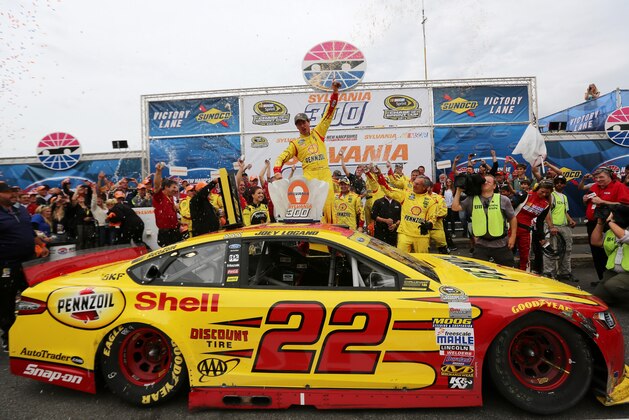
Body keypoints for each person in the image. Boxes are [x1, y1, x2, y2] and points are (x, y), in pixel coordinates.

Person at [273, 80, 342, 223]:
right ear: (297, 127)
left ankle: (332, 242)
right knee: (314, 213)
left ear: (308, 122)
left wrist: (335, 92)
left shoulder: (319, 132)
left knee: (330, 209)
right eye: (299, 124)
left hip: (325, 178)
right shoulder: (296, 144)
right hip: (311, 181)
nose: (302, 125)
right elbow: (281, 157)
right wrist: (277, 170)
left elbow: (329, 112)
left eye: (304, 122)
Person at [0, 181, 49, 351]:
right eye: (8, 192)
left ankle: (35, 332)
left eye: (14, 191)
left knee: (34, 296)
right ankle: (9, 336)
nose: (13, 195)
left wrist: (41, 246)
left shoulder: (20, 209)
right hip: (7, 264)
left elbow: (29, 231)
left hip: (29, 262)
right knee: (6, 301)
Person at [452, 174, 517, 266]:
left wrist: (513, 236)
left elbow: (512, 218)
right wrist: (459, 190)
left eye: (489, 182)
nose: (485, 183)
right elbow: (455, 208)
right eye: (484, 181)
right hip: (481, 245)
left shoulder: (503, 199)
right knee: (479, 272)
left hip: (501, 244)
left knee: (508, 272)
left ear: (494, 186)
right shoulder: (472, 199)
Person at [583, 166, 629, 283]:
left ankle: (613, 279)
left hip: (612, 224)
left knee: (609, 251)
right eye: (596, 177)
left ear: (609, 176)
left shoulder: (619, 186)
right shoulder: (594, 187)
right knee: (596, 252)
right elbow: (589, 201)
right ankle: (602, 279)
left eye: (601, 177)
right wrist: (585, 199)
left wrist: (603, 202)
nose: (598, 180)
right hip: (594, 223)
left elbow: (624, 205)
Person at [377, 174, 437, 253]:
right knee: (401, 258)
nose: (414, 185)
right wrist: (378, 175)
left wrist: (429, 224)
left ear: (424, 187)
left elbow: (433, 218)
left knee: (422, 260)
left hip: (421, 235)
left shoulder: (431, 201)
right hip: (404, 233)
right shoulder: (406, 194)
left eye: (417, 184)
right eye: (414, 182)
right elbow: (389, 190)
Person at [590, 204, 629, 305]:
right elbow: (595, 241)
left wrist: (609, 221)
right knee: (598, 297)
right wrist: (600, 222)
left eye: (612, 215)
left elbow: (624, 237)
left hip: (627, 272)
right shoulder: (610, 232)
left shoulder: (624, 232)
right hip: (614, 271)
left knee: (613, 285)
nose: (610, 217)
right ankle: (619, 297)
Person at [543, 176, 578, 282]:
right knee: (551, 251)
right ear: (554, 184)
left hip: (564, 227)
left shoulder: (564, 197)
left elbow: (564, 212)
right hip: (552, 227)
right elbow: (546, 211)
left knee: (567, 249)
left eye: (561, 183)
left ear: (564, 185)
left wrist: (570, 220)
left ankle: (565, 272)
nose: (559, 184)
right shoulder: (550, 195)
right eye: (557, 182)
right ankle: (549, 273)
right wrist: (551, 226)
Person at [513, 180, 553, 271]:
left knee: (525, 256)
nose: (543, 194)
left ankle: (525, 276)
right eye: (542, 191)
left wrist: (542, 237)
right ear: (536, 188)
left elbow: (539, 222)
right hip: (512, 228)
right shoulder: (525, 195)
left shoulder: (546, 205)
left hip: (527, 231)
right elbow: (510, 208)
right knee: (508, 253)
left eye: (547, 193)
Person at [152, 162, 182, 247]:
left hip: (174, 231)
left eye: (177, 187)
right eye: (174, 187)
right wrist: (158, 171)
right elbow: (157, 185)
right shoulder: (160, 196)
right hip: (165, 233)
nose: (176, 190)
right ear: (166, 187)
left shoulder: (172, 198)